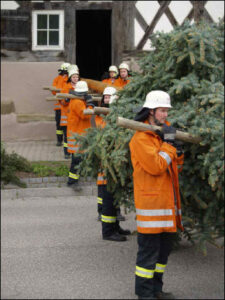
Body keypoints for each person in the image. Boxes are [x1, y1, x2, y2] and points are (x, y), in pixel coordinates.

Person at [129, 90, 184, 299]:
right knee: (148, 256)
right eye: (162, 110)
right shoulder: (141, 138)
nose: (165, 115)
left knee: (162, 255)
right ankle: (144, 293)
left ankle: (156, 289)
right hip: (152, 209)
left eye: (166, 111)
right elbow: (156, 166)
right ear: (150, 112)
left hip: (166, 207)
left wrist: (177, 152)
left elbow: (173, 166)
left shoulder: (158, 136)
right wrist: (169, 145)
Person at [95, 87, 131, 241]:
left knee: (114, 200)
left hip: (113, 167)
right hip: (107, 169)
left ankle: (115, 227)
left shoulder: (112, 118)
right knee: (109, 200)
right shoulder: (103, 118)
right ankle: (108, 232)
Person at [67, 80, 95, 189]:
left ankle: (75, 178)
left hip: (77, 134)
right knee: (76, 160)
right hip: (78, 136)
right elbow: (85, 115)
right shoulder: (78, 102)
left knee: (78, 159)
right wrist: (91, 105)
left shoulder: (76, 100)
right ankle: (72, 181)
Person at [59, 66, 80, 159]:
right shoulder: (66, 87)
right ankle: (66, 153)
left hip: (77, 116)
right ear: (70, 78)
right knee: (67, 136)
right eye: (73, 77)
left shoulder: (80, 87)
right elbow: (62, 101)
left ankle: (75, 153)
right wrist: (66, 100)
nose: (75, 79)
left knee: (76, 136)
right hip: (67, 116)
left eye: (77, 77)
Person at [52, 62, 70, 146]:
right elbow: (54, 91)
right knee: (59, 125)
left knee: (67, 125)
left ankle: (68, 140)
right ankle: (59, 140)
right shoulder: (57, 79)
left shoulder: (70, 79)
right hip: (59, 107)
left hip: (68, 107)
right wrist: (62, 79)